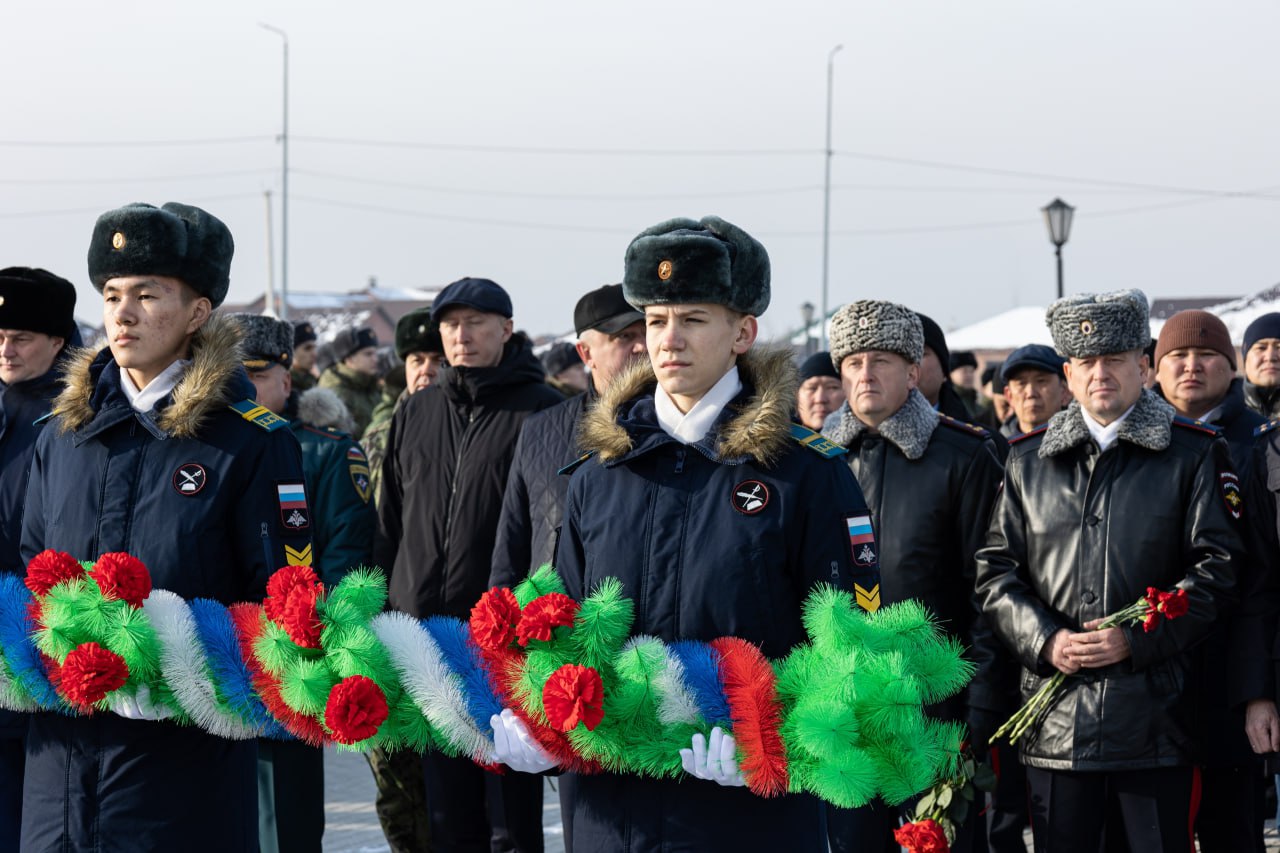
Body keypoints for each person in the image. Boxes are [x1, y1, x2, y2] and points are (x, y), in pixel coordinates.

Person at [520, 216, 878, 852]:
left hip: (748, 814)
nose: (668, 340)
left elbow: (850, 649)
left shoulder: (804, 474)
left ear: (743, 331)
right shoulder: (599, 474)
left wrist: (776, 743)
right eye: (655, 321)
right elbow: (568, 625)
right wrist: (541, 721)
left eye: (692, 319)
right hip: (612, 810)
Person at [20, 201, 314, 851]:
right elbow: (29, 580)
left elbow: (286, 609)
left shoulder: (251, 446)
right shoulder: (61, 440)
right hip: (57, 787)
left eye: (148, 295)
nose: (122, 313)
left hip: (181, 789)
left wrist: (179, 668)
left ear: (197, 312)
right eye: (112, 293)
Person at [975, 289, 1240, 852]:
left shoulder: (1192, 454)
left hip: (1155, 716)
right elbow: (996, 574)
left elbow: (1216, 570)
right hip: (1055, 717)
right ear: (1068, 375)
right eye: (1087, 363)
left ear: (1143, 368)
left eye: (1115, 360)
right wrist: (1046, 641)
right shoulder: (1027, 460)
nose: (1101, 374)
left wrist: (1134, 639)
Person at [374, 277, 561, 852]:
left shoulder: (544, 410)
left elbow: (551, 533)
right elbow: (391, 522)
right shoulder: (418, 411)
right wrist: (384, 612)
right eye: (451, 324)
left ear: (506, 329)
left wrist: (533, 629)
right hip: (427, 640)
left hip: (503, 640)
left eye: (476, 323)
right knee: (446, 810)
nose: (461, 335)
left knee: (509, 812)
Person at [820, 300, 1003, 853]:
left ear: (913, 370)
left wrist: (981, 707)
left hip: (935, 711)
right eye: (852, 363)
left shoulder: (965, 456)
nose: (865, 374)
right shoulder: (814, 459)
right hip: (839, 713)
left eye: (881, 360)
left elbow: (990, 592)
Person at [228, 312, 376, 853]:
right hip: (214, 651)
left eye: (255, 374)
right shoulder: (205, 448)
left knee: (282, 820)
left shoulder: (326, 451)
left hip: (290, 656)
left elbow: (345, 554)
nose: (240, 385)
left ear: (287, 381)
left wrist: (313, 645)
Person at [1148, 309, 1265, 851]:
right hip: (1148, 673)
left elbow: (1262, 577)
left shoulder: (1260, 445)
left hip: (1228, 671)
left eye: (1206, 356)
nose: (1191, 367)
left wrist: (1257, 689)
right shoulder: (1141, 440)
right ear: (1154, 368)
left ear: (1232, 366)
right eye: (1178, 357)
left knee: (1229, 827)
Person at [491, 283, 644, 588]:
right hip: (551, 626)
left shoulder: (677, 427)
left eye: (647, 333)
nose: (642, 347)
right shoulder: (540, 431)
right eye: (625, 337)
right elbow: (512, 544)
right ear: (586, 353)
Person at [358, 306, 441, 853]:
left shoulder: (458, 432)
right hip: (382, 623)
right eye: (415, 358)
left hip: (439, 626)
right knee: (393, 779)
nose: (426, 370)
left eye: (436, 358)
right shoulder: (377, 435)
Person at [0, 266, 78, 848]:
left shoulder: (74, 417)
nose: (5, 349)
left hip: (38, 635)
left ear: (57, 343)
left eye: (21, 337)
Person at [319, 325, 381, 438]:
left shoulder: (371, 386)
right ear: (349, 359)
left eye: (375, 353)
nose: (375, 359)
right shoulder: (336, 392)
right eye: (368, 354)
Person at [999, 345, 1070, 439]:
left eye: (1041, 381)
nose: (1031, 393)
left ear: (1064, 391)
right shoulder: (995, 450)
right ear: (1009, 396)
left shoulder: (1087, 446)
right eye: (1021, 384)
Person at [795, 350, 845, 431]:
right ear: (797, 396)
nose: (820, 399)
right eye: (812, 388)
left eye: (832, 387)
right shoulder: (775, 441)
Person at [1242, 313, 1280, 418]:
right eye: (1261, 348)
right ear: (1245, 358)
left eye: (1279, 347)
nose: (1270, 357)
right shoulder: (1220, 412)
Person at [291, 321, 319, 392]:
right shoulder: (284, 386)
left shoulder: (313, 382)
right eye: (307, 348)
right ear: (291, 352)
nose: (314, 354)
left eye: (314, 348)